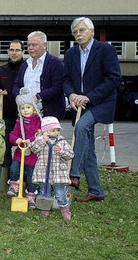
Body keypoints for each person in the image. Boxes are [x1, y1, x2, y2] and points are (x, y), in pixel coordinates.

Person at [63, 17, 121, 202]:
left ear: (92, 31)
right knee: (87, 148)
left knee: (81, 127)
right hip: (79, 104)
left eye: (81, 30)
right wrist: (71, 95)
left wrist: (90, 97)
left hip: (100, 102)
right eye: (75, 32)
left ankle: (74, 174)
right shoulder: (71, 54)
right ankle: (96, 191)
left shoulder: (106, 50)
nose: (78, 34)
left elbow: (113, 78)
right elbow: (66, 79)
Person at [13, 31, 66, 119]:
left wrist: (38, 97)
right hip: (27, 115)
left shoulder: (55, 63)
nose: (30, 48)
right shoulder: (25, 65)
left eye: (34, 45)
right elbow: (16, 84)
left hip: (49, 115)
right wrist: (17, 94)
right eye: (29, 45)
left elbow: (58, 88)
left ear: (44, 45)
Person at [30, 116, 74, 220]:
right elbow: (33, 148)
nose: (56, 133)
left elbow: (70, 155)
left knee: (59, 193)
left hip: (58, 173)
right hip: (43, 172)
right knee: (45, 192)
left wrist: (62, 151)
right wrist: (42, 140)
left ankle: (65, 209)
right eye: (53, 130)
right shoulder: (40, 141)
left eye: (58, 130)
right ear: (45, 131)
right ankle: (45, 209)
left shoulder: (61, 142)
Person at [7, 88, 42, 208]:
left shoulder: (39, 122)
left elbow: (40, 137)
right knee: (14, 168)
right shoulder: (19, 122)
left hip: (32, 155)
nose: (25, 110)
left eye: (28, 107)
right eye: (22, 108)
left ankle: (31, 195)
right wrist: (16, 140)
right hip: (19, 153)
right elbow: (12, 135)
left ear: (34, 108)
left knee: (31, 176)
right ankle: (14, 185)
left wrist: (30, 140)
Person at [0, 39, 24, 168]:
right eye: (12, 50)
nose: (14, 53)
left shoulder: (27, 69)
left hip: (23, 116)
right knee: (5, 146)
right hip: (6, 114)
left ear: (23, 52)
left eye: (17, 50)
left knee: (23, 146)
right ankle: (5, 176)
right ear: (8, 51)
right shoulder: (1, 70)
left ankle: (22, 177)